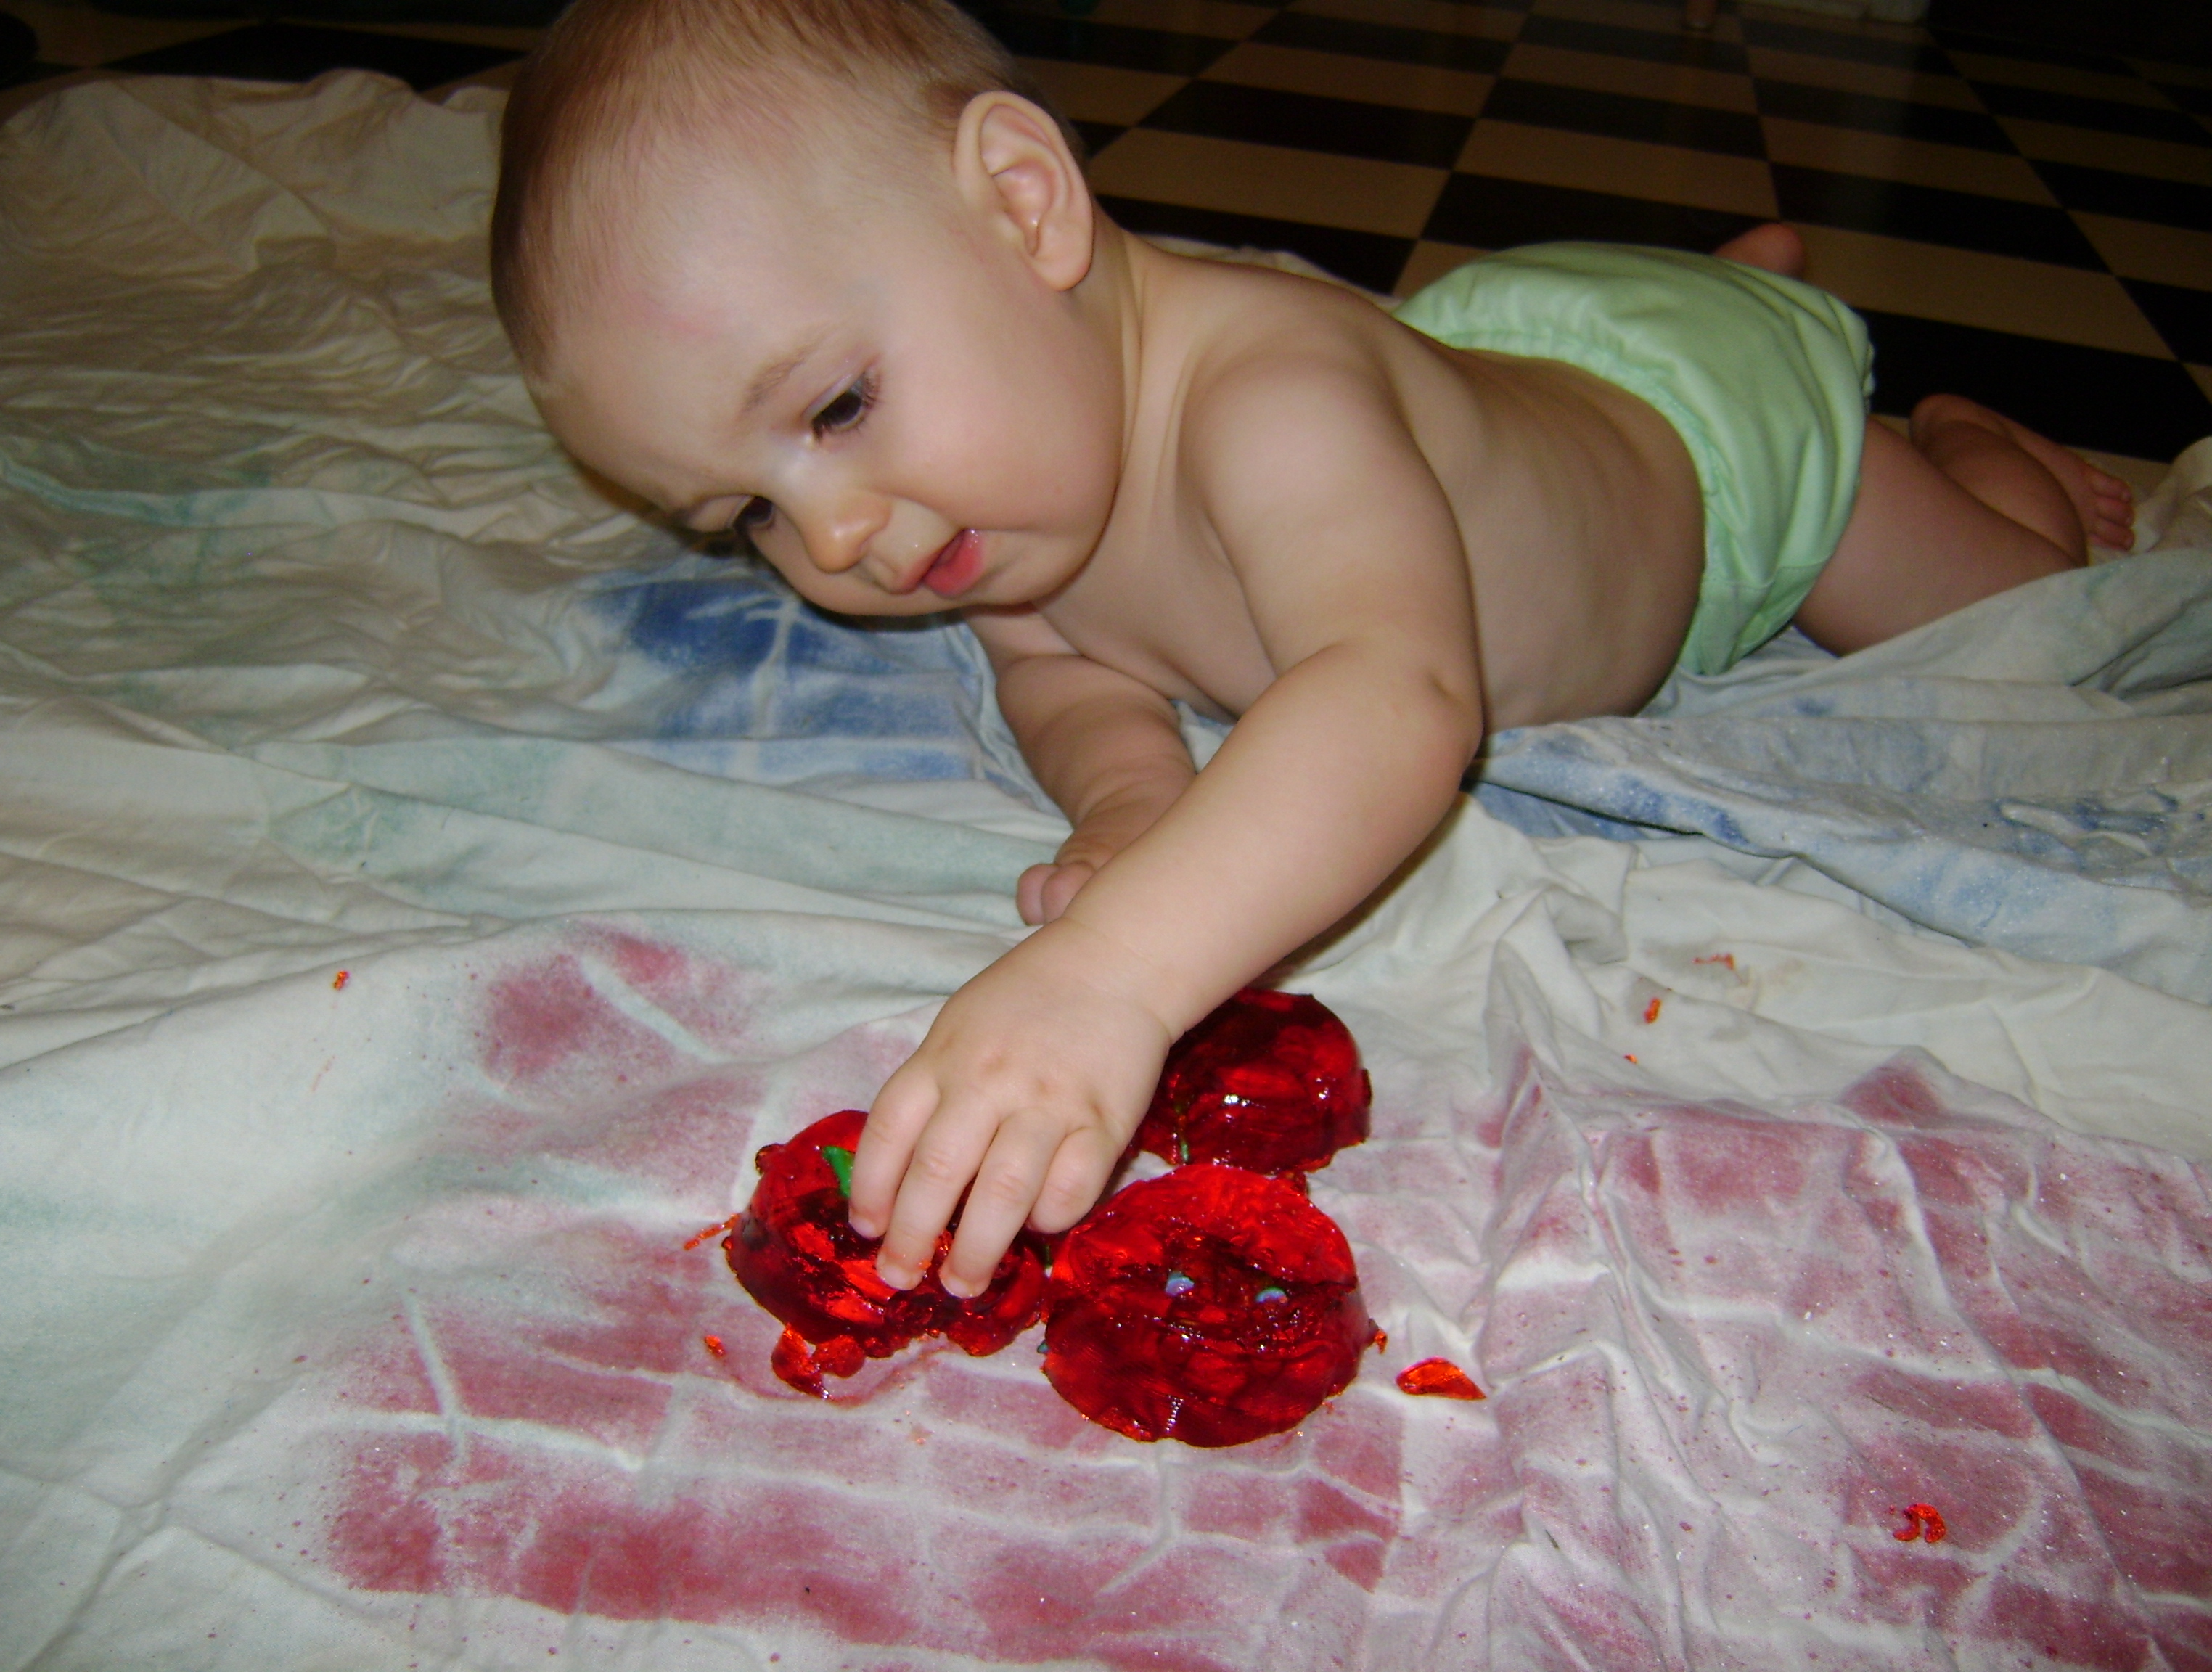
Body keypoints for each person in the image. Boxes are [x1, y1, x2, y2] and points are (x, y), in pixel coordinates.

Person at [490, 0, 2134, 1301]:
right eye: (749, 515)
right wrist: (1134, 807)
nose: (840, 536)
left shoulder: (1270, 403)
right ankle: (1728, 276)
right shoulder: (994, 521)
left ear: (1024, 204)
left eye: (839, 408)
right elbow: (1063, 675)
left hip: (1711, 463)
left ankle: (1967, 438)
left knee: (2016, 608)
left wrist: (1109, 976)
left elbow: (1393, 691)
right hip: (1494, 358)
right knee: (1492, 392)